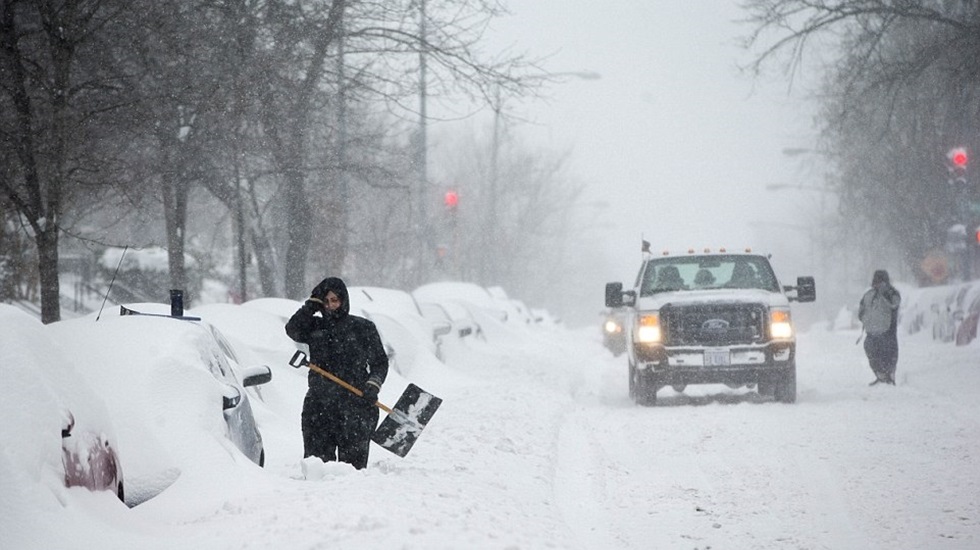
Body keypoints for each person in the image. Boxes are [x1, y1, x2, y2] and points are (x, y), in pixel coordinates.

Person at [285, 277, 389, 469]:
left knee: (352, 473)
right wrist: (310, 306)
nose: (331, 306)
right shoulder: (315, 327)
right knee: (318, 470)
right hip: (319, 408)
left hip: (356, 408)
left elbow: (380, 362)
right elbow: (292, 329)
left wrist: (373, 385)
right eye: (325, 301)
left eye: (335, 300)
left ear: (344, 300)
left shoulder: (363, 328)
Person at [858, 269, 901, 386]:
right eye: (876, 280)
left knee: (888, 354)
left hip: (887, 333)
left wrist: (884, 292)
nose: (877, 283)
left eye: (880, 280)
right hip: (871, 333)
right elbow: (861, 310)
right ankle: (880, 375)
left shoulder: (892, 293)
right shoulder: (869, 295)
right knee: (872, 353)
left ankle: (889, 376)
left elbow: (895, 303)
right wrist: (865, 318)